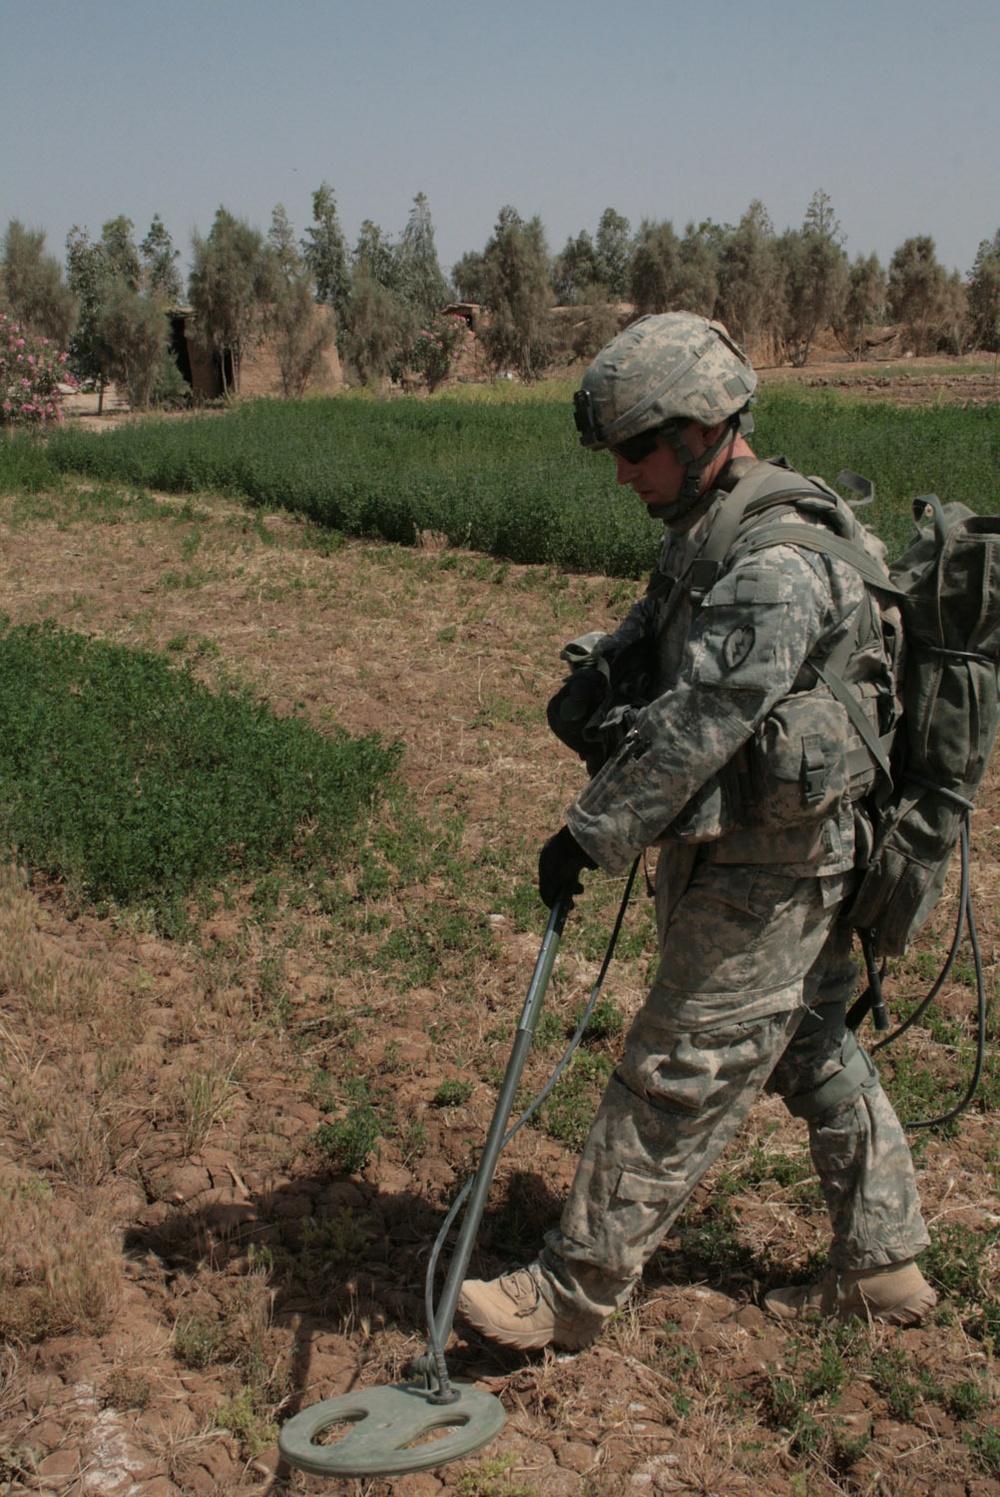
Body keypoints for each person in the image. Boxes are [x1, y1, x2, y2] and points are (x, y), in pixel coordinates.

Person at [458, 311, 936, 1352]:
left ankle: (569, 1291)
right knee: (805, 1044)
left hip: (776, 865)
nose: (622, 475)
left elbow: (703, 721)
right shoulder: (709, 529)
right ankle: (883, 1262)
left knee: (676, 1064)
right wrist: (604, 668)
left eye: (635, 450)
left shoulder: (776, 559)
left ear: (699, 431)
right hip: (764, 848)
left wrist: (587, 835)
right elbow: (661, 638)